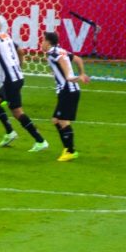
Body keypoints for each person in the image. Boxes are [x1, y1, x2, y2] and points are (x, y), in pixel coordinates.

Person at [0, 15, 49, 152]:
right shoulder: (5, 35)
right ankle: (10, 133)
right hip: (15, 77)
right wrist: (19, 66)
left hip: (11, 80)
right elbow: (20, 51)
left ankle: (40, 140)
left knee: (17, 112)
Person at [41, 31, 90, 162]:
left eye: (43, 40)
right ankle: (68, 149)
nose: (42, 43)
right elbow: (78, 60)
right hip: (68, 90)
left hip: (68, 90)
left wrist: (74, 77)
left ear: (48, 42)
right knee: (57, 120)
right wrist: (82, 73)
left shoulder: (53, 53)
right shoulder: (61, 50)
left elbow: (66, 71)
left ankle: (70, 151)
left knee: (60, 121)